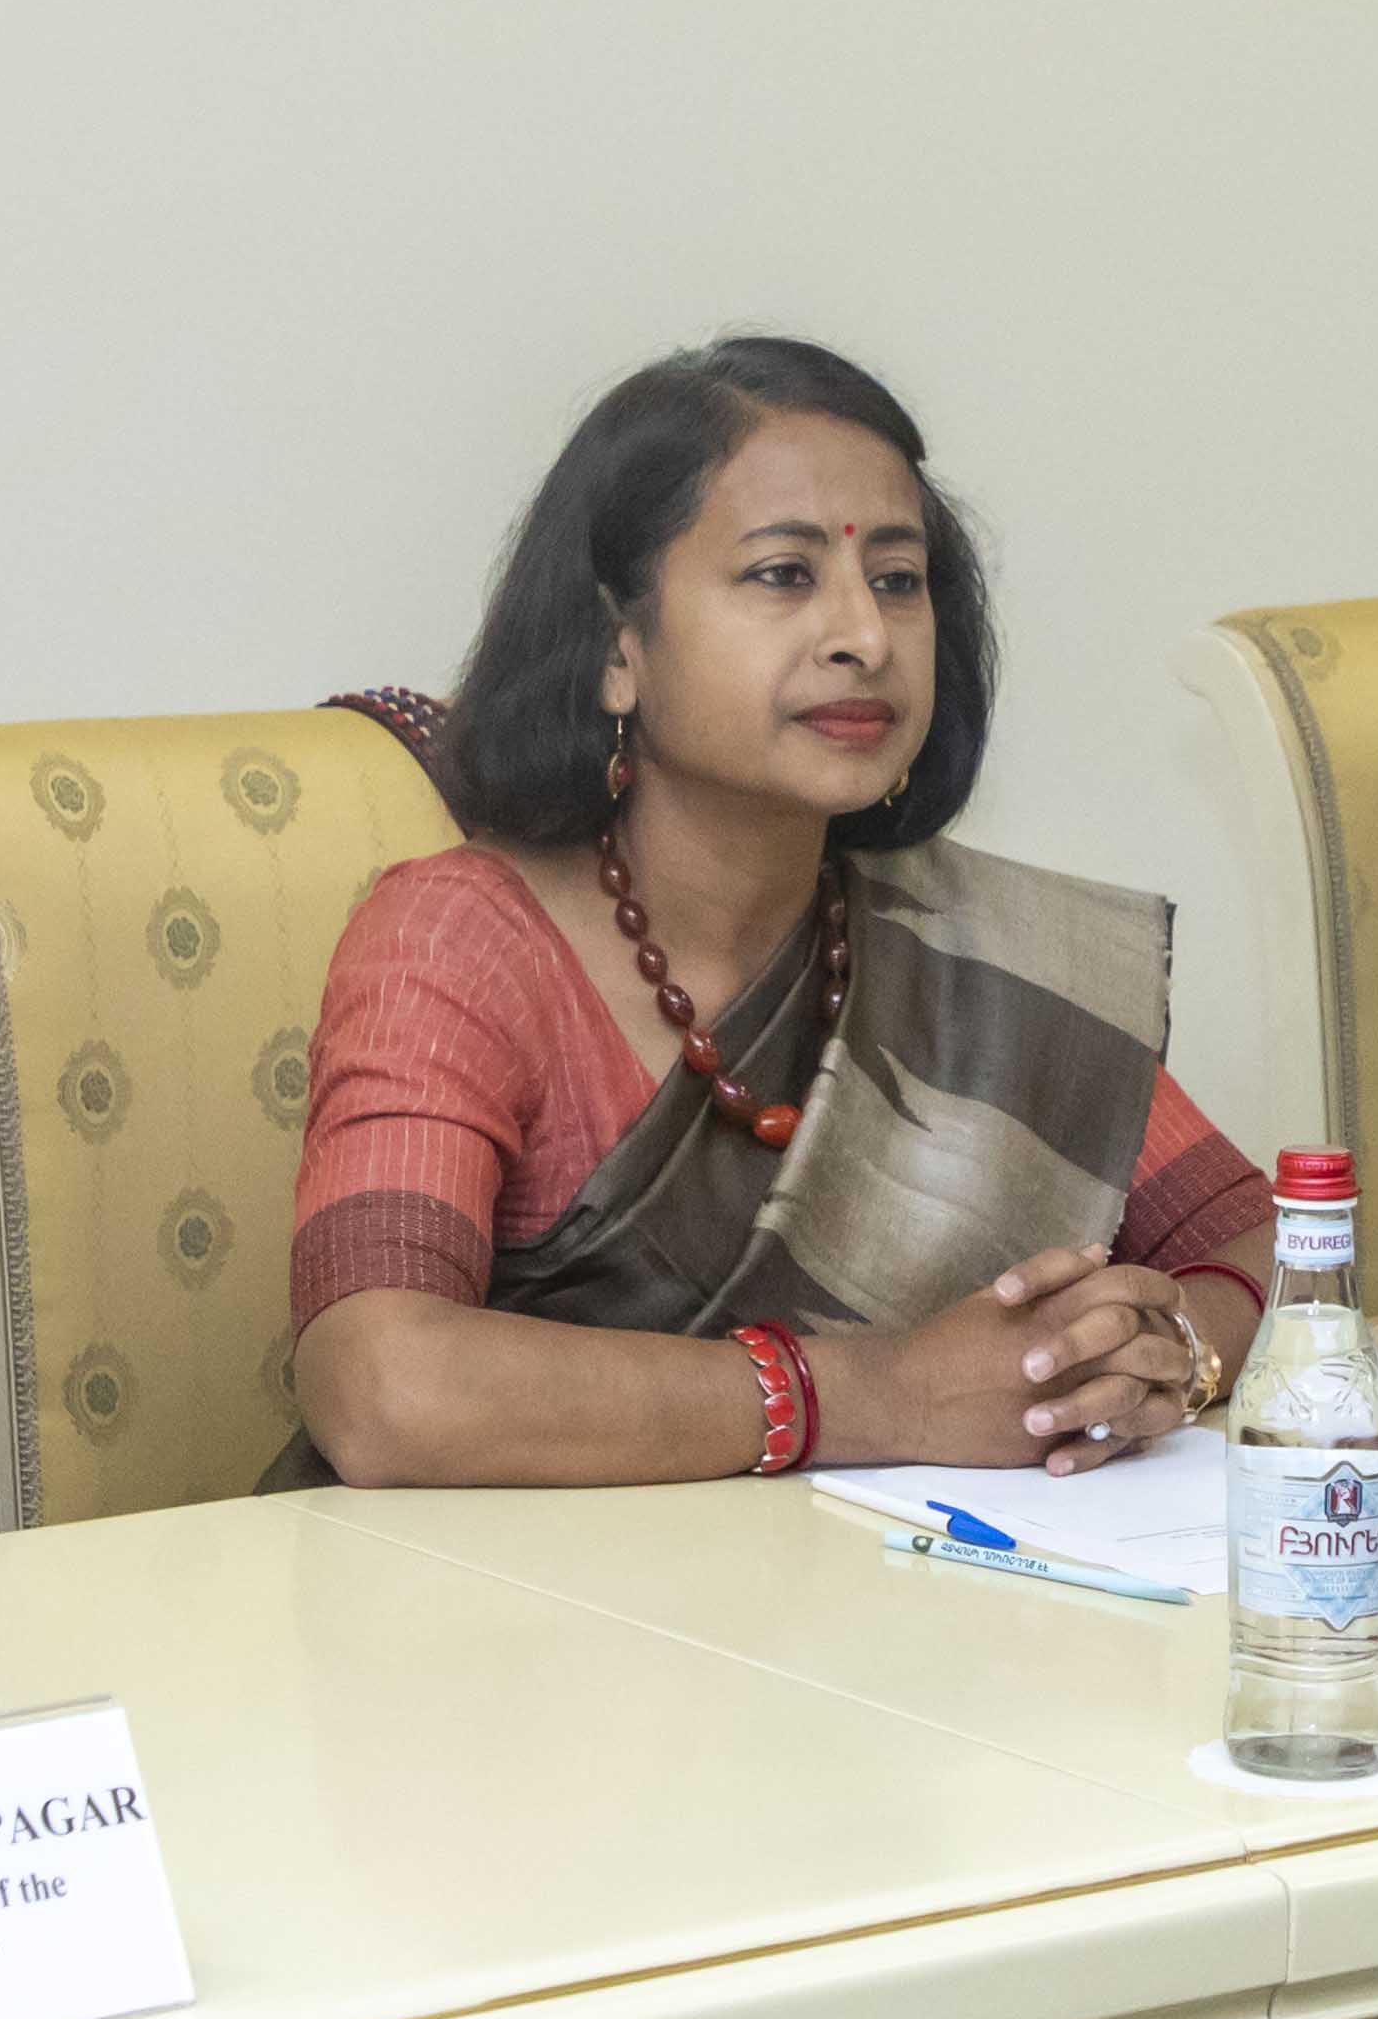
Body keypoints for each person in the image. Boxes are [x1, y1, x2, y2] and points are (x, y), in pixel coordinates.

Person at [288, 338, 1273, 1487]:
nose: (866, 636)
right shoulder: (463, 944)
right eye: (783, 574)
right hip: (500, 1594)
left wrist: (1163, 1357)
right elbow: (380, 1387)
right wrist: (887, 1396)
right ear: (617, 649)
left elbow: (1271, 1246)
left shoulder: (972, 954)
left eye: (897, 579)